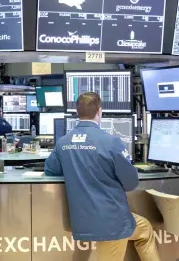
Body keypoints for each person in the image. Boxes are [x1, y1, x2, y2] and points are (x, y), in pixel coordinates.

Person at [44, 92, 160, 261]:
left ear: (77, 112)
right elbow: (130, 183)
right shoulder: (111, 142)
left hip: (82, 218)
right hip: (110, 221)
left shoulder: (63, 142)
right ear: (99, 111)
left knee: (145, 229)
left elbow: (51, 170)